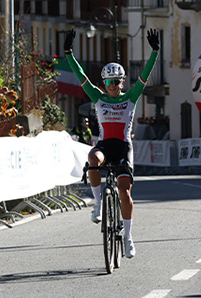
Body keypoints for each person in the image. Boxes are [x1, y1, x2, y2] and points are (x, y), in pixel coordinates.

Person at [64, 27, 160, 259]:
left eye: (116, 81)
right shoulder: (98, 96)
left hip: (123, 148)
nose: (112, 85)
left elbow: (145, 77)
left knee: (124, 193)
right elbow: (80, 76)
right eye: (108, 81)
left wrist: (155, 51)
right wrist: (68, 52)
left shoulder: (131, 96)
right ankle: (97, 204)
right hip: (105, 146)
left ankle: (128, 238)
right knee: (92, 159)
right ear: (104, 82)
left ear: (122, 81)